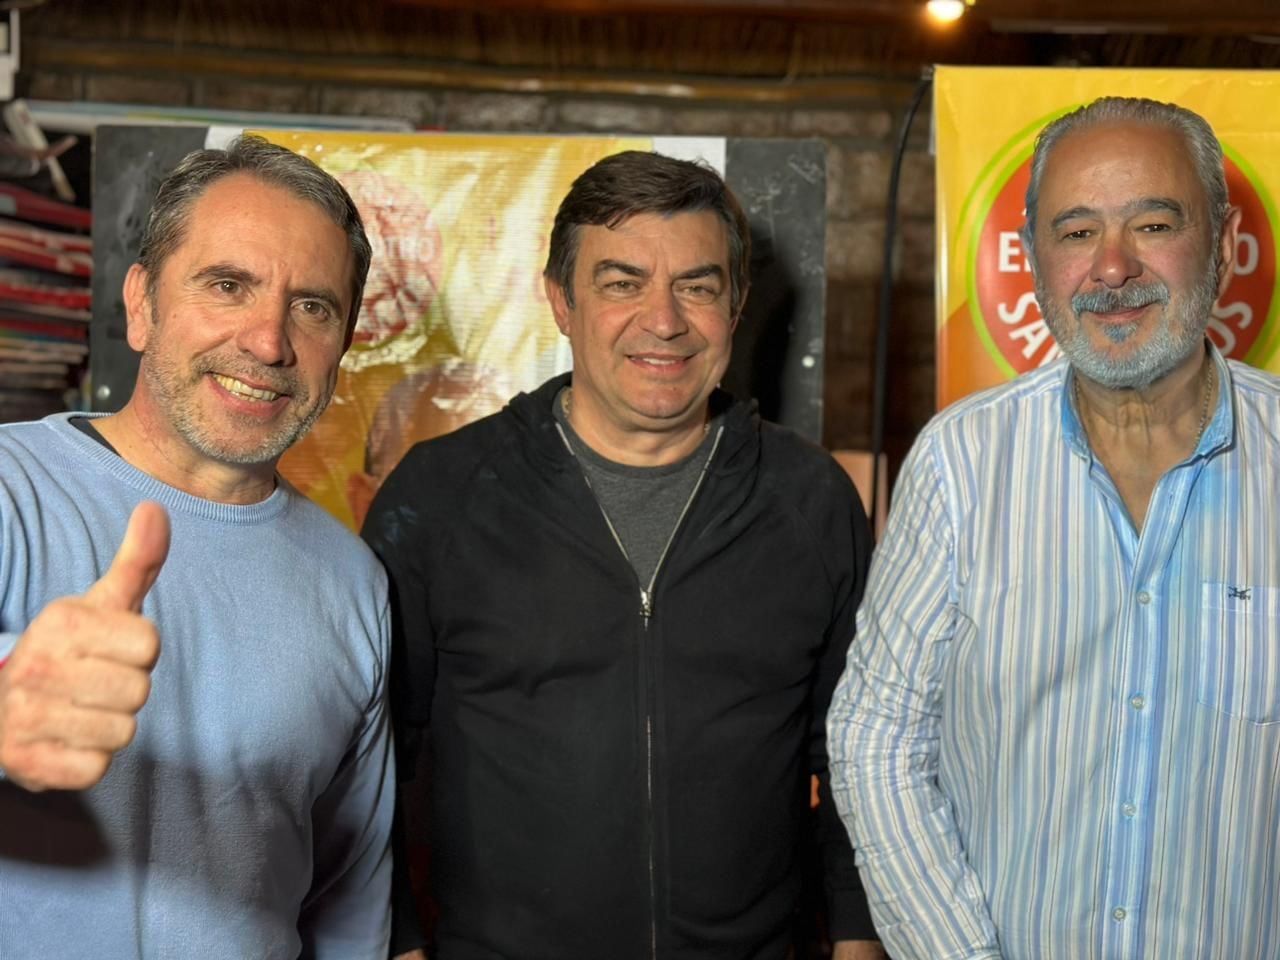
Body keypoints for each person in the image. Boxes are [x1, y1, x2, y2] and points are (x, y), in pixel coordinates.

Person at [363, 150, 883, 959]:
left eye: (698, 286)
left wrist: (856, 941)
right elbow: (371, 758)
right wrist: (397, 943)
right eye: (621, 282)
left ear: (737, 305)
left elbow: (857, 755)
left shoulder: (810, 501)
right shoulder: (441, 497)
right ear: (561, 301)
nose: (664, 320)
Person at [827, 95, 1280, 960]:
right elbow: (875, 735)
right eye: (1075, 233)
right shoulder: (962, 462)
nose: (1112, 267)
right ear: (1033, 260)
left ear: (1221, 246)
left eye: (1152, 223)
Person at [0, 135, 395, 958]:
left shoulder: (353, 583)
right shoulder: (10, 489)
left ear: (345, 345)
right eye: (228, 285)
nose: (268, 341)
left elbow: (347, 899)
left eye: (313, 307)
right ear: (141, 304)